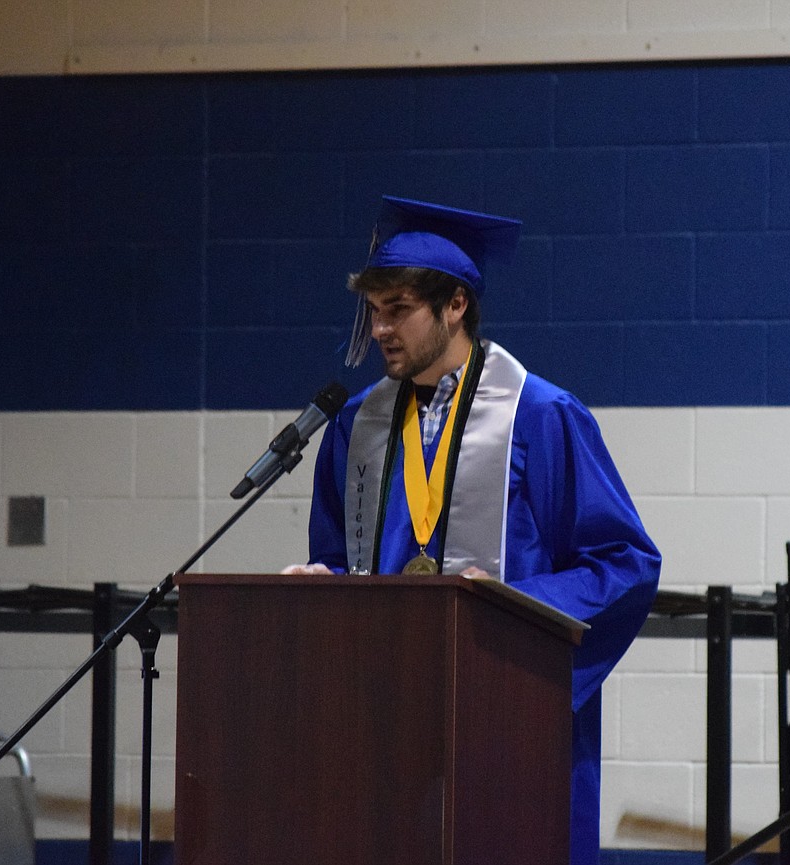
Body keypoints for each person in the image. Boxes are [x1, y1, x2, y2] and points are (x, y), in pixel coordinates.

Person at [284, 195, 662, 865]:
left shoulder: (541, 417)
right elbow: (342, 559)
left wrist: (513, 609)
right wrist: (325, 587)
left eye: (398, 308)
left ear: (455, 304)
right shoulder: (354, 429)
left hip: (508, 721)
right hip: (387, 727)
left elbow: (624, 562)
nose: (380, 330)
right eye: (374, 311)